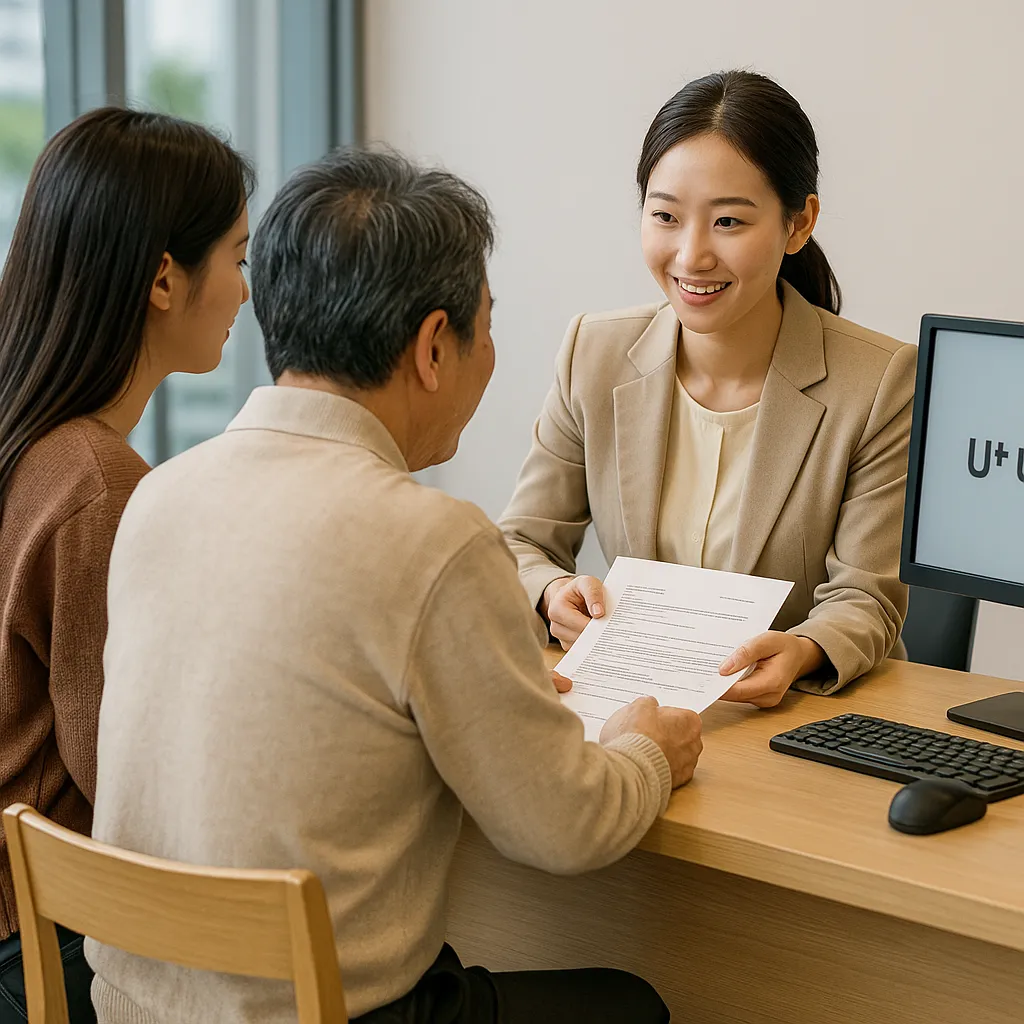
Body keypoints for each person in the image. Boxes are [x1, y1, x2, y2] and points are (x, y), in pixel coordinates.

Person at [86, 146, 702, 1024]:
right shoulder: (432, 541)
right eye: (485, 329)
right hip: (324, 1015)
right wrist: (643, 747)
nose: (491, 358)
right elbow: (565, 828)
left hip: (130, 1008)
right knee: (628, 1004)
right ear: (431, 348)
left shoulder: (160, 494)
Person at [501, 70, 916, 707]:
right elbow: (521, 542)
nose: (691, 256)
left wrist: (802, 648)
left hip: (792, 716)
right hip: (628, 703)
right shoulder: (595, 352)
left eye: (728, 222)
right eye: (665, 215)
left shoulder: (881, 381)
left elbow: (865, 597)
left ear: (798, 224)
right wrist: (551, 592)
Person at [0, 107, 253, 1021]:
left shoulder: (38, 447)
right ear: (162, 278)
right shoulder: (97, 485)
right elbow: (130, 776)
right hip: (46, 944)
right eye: (238, 257)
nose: (247, 292)